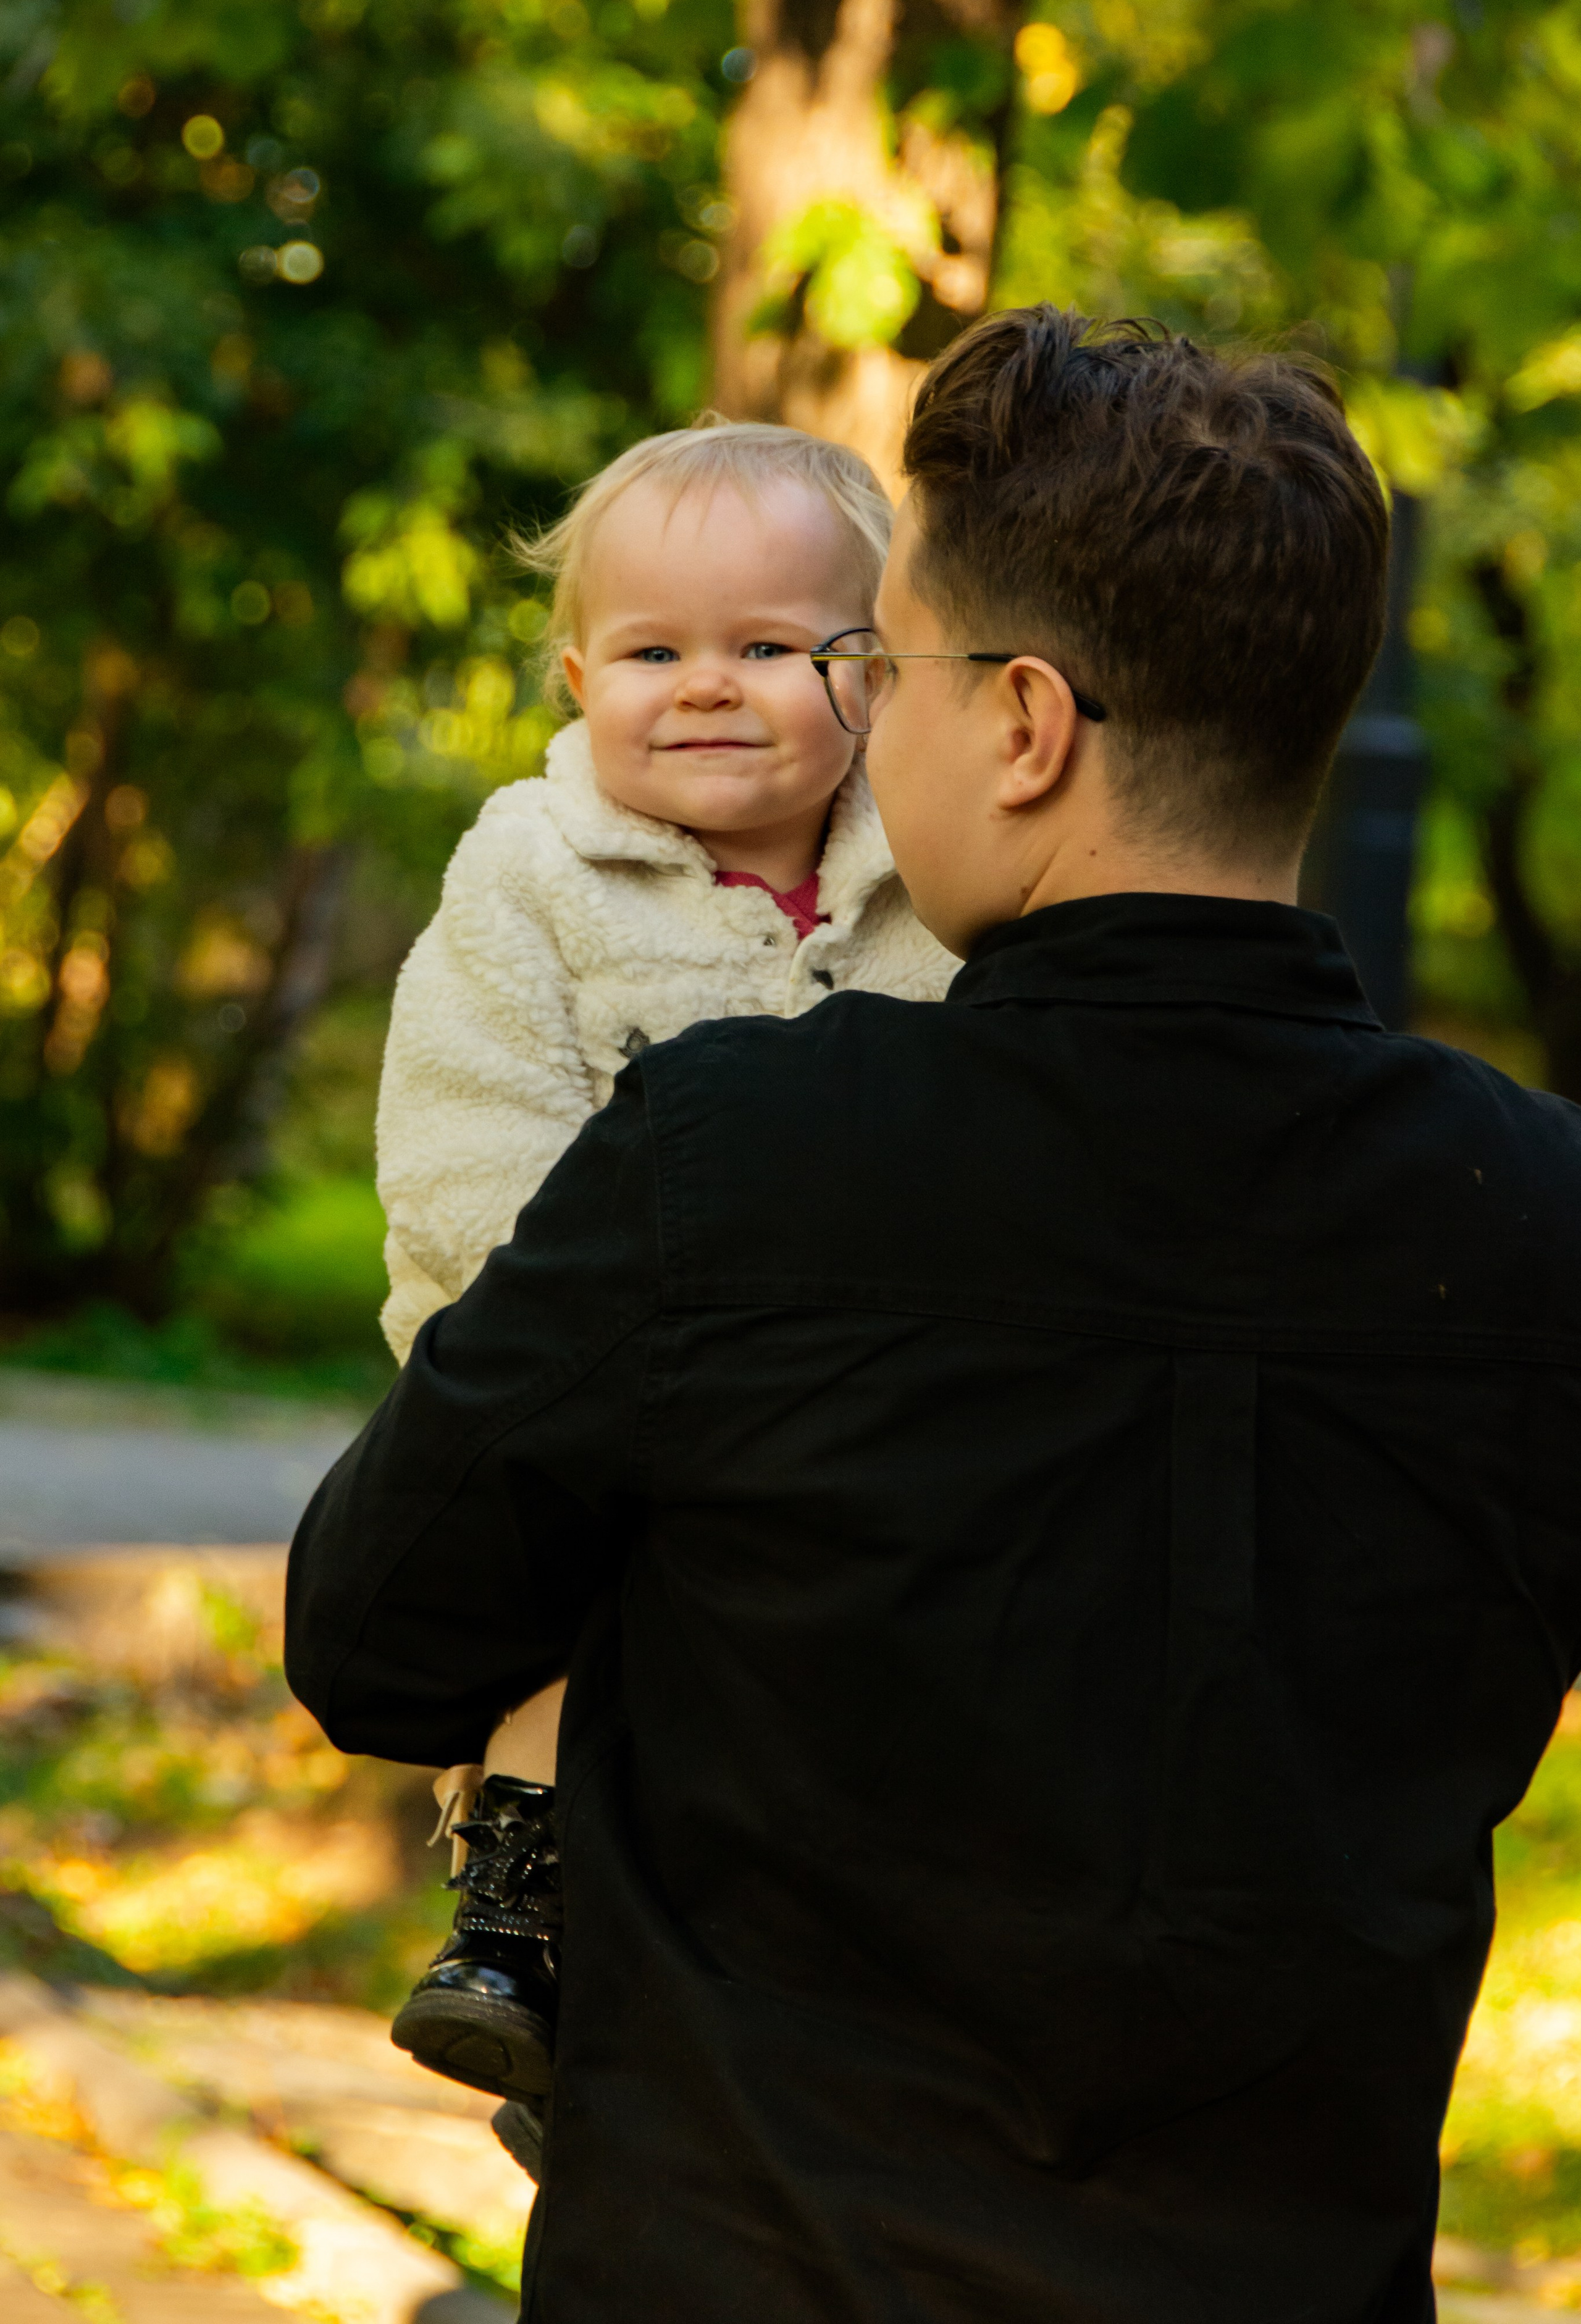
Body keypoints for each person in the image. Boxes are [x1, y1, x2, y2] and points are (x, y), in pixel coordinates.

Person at [286, 306, 1581, 2323]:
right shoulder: (1543, 1222)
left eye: (874, 664)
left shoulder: (728, 1156)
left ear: (1028, 723)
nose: (856, 717)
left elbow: (373, 1639)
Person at [372, 419, 956, 2119]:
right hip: (585, 1394)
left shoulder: (925, 878)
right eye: (653, 652)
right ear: (575, 676)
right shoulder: (531, 877)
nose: (708, 687)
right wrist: (596, 1343)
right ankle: (522, 1937)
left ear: (875, 671)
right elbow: (468, 1145)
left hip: (861, 1408)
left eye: (770, 647)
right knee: (586, 1635)